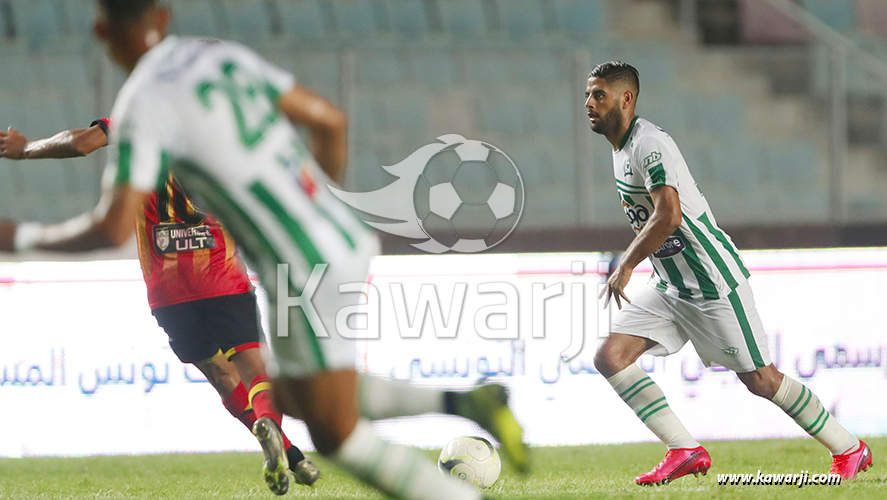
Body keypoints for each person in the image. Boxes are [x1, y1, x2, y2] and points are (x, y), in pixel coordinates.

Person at [0, 2, 529, 499]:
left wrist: (19, 235)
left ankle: (462, 429)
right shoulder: (220, 58)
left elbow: (111, 226)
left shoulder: (142, 105)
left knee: (336, 433)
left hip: (276, 267)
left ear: (101, 32)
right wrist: (316, 208)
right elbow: (331, 122)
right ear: (164, 15)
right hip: (337, 241)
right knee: (296, 395)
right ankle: (464, 401)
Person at [586, 61, 872, 485]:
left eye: (599, 94)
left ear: (626, 99)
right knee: (610, 356)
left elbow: (668, 216)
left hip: (711, 282)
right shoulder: (620, 149)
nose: (589, 103)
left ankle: (849, 447)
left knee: (761, 380)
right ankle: (684, 450)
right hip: (670, 284)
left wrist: (626, 263)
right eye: (588, 95)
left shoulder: (649, 144)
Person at [0, 118, 321, 494]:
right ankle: (269, 423)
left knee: (221, 378)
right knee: (255, 370)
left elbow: (82, 143)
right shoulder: (227, 127)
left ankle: (289, 454)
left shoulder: (136, 121)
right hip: (220, 273)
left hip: (167, 288)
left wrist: (25, 149)